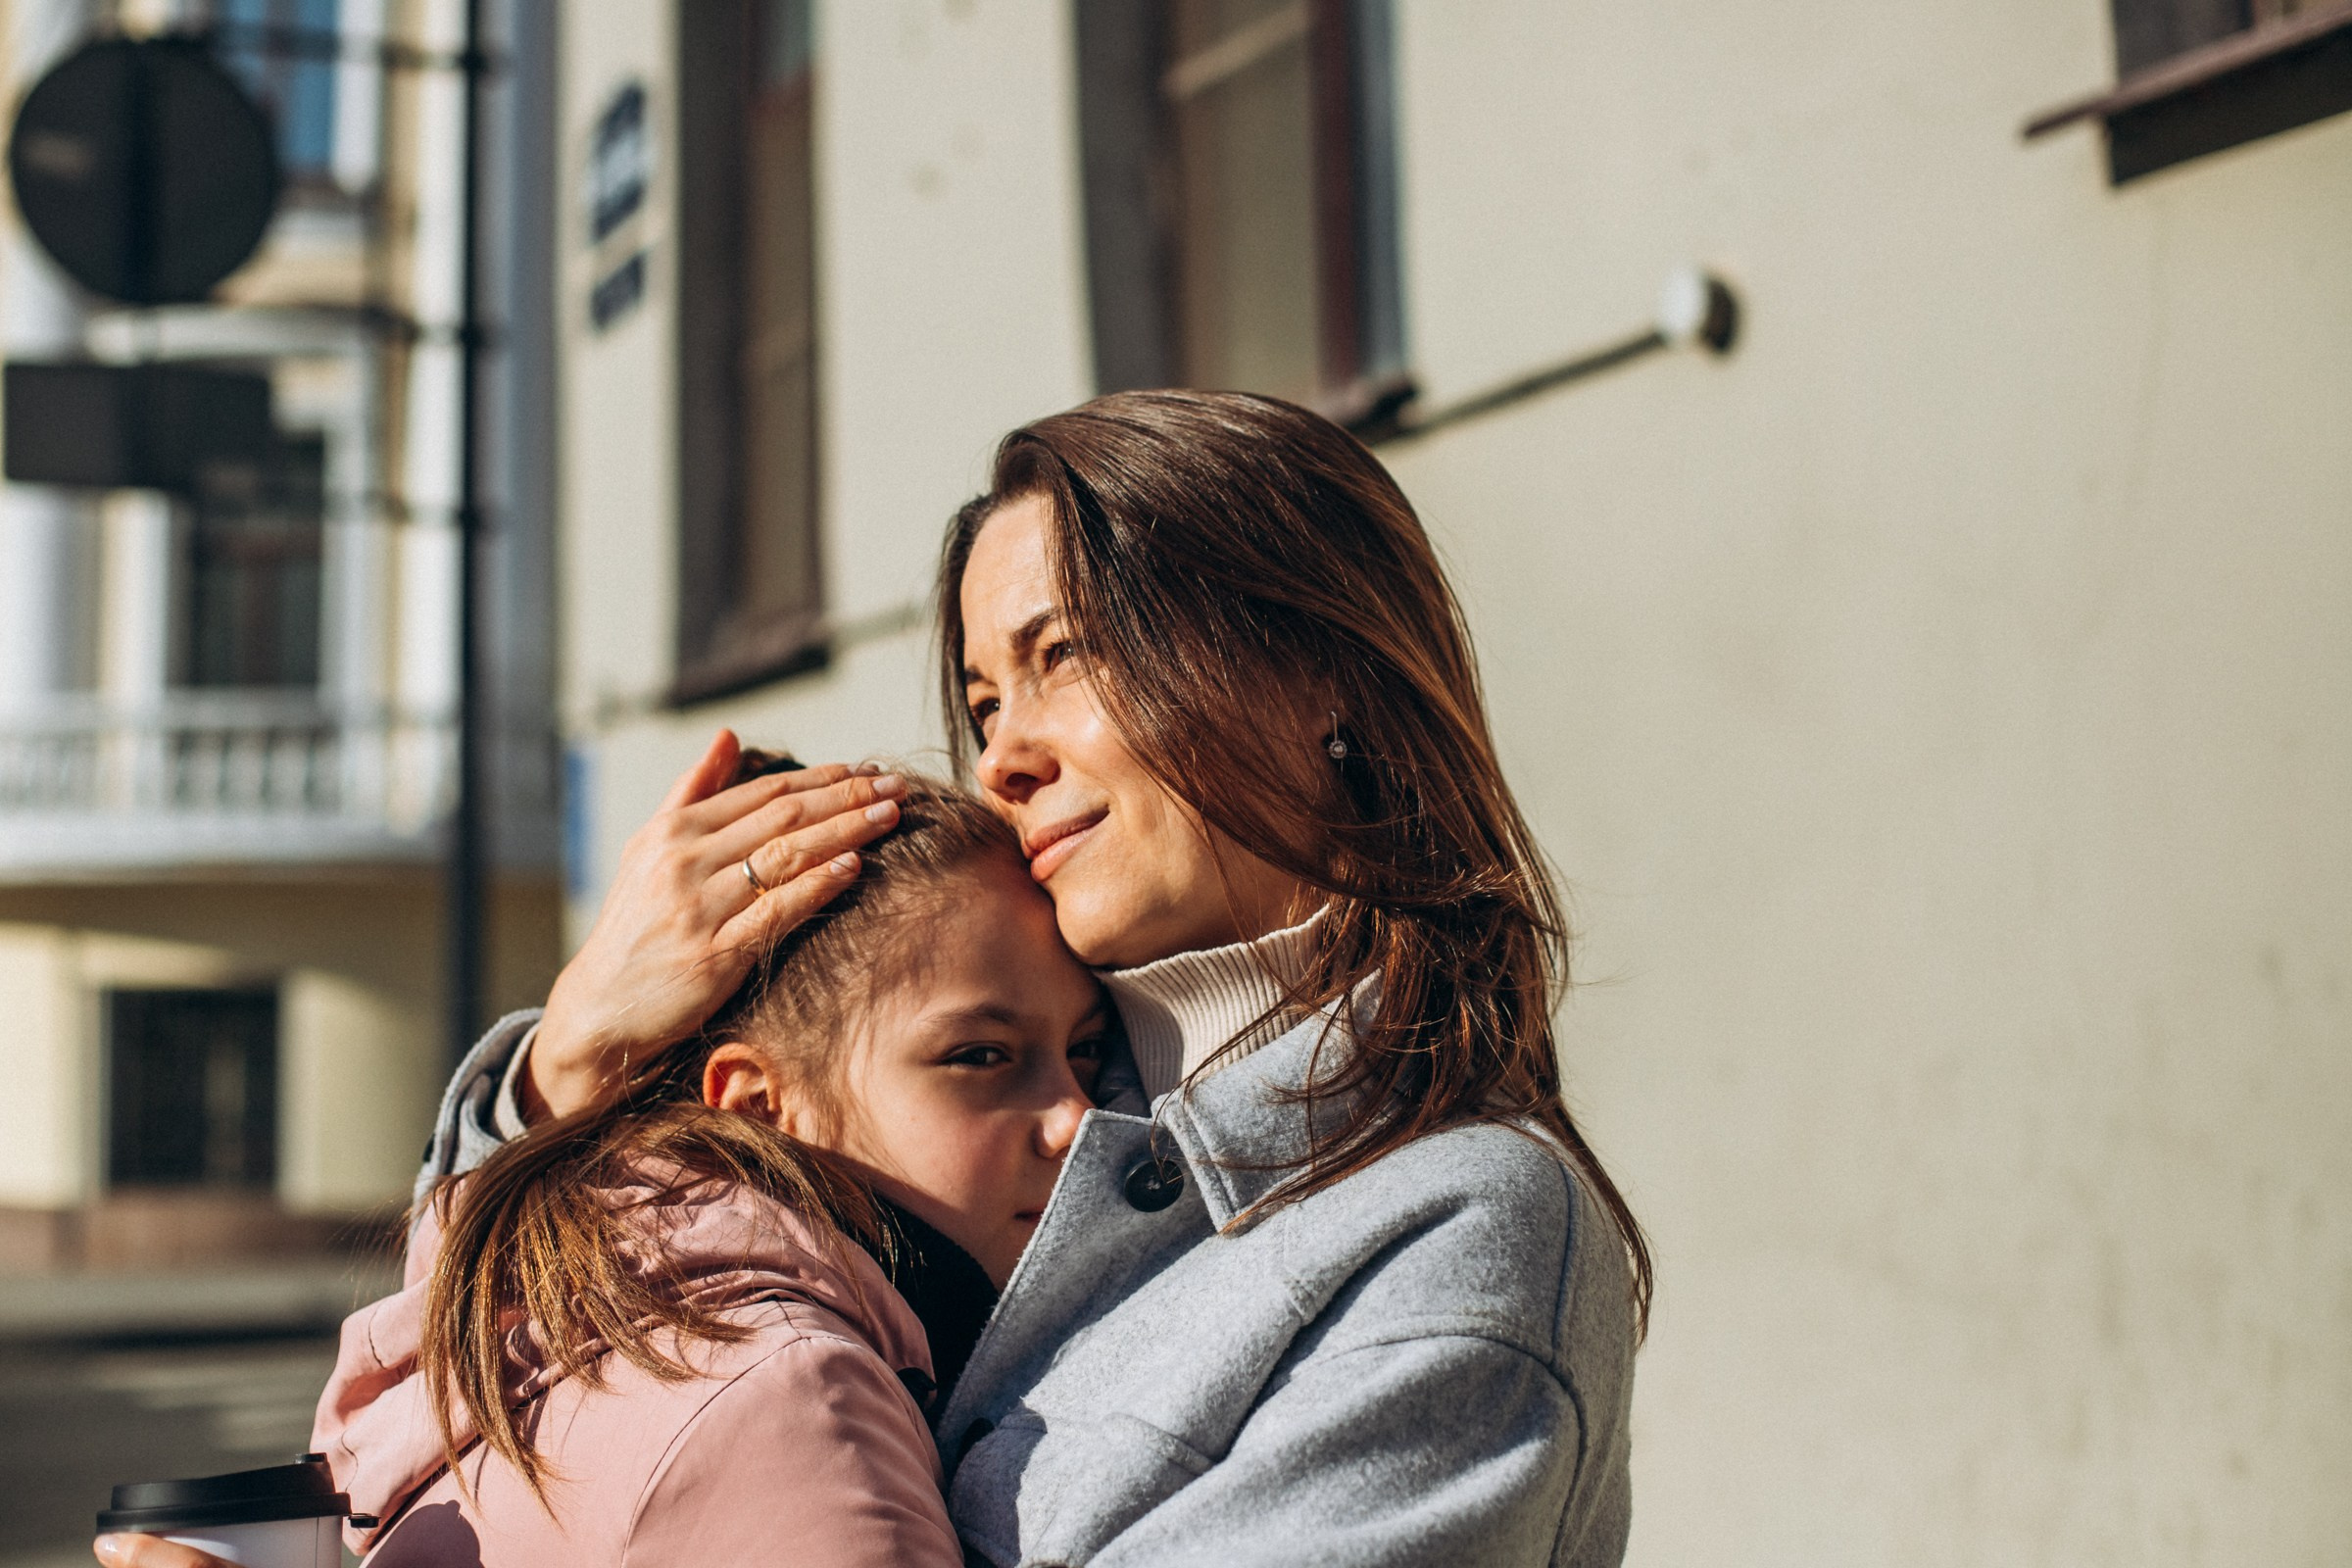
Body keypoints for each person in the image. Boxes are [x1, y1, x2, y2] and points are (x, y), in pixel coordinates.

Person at [100, 389, 1648, 1568]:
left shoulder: (1456, 1228)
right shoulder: (973, 1095)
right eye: (982, 696)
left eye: (1065, 656)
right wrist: (565, 1070)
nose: (1008, 750)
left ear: (1324, 676)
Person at [100, 777, 1112, 1568]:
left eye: (1087, 1053)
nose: (1078, 1117)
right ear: (762, 1105)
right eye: (980, 1055)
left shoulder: (565, 1308)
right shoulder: (795, 1400)